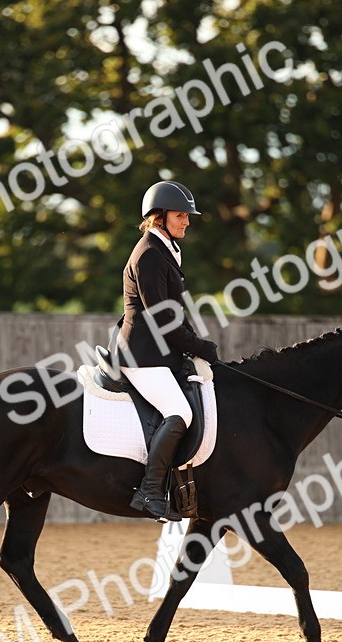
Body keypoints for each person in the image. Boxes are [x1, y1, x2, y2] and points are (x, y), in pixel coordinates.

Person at [115, 180, 220, 521]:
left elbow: (176, 313)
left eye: (187, 216)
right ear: (158, 218)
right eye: (180, 216)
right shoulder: (148, 255)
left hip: (160, 355)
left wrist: (193, 347)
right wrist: (199, 346)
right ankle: (149, 491)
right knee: (180, 412)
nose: (186, 222)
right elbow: (162, 319)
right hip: (143, 357)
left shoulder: (164, 251)